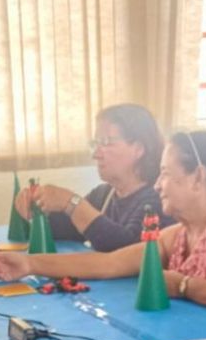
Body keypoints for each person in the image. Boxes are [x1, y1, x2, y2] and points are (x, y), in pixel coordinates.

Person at [0, 130, 206, 325]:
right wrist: (29, 264)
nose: (157, 185)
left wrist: (182, 285)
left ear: (198, 176)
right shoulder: (181, 233)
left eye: (165, 174)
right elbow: (108, 264)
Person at [13, 103, 169, 250]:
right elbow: (69, 229)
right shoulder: (104, 194)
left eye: (106, 142)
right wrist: (37, 210)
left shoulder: (159, 199)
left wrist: (71, 202)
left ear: (138, 149)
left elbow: (129, 250)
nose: (96, 154)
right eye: (95, 144)